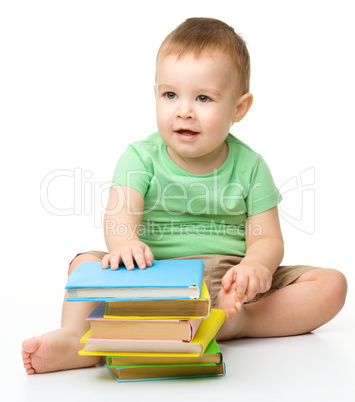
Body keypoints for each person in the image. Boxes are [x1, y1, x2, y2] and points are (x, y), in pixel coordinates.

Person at [22, 17, 347, 375]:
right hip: (152, 276)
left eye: (203, 97)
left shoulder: (251, 166)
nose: (184, 110)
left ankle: (238, 322)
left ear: (239, 108)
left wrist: (255, 266)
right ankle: (76, 337)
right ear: (156, 94)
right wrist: (125, 242)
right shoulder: (140, 156)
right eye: (170, 95)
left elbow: (267, 236)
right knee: (83, 262)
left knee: (331, 285)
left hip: (228, 281)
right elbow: (119, 215)